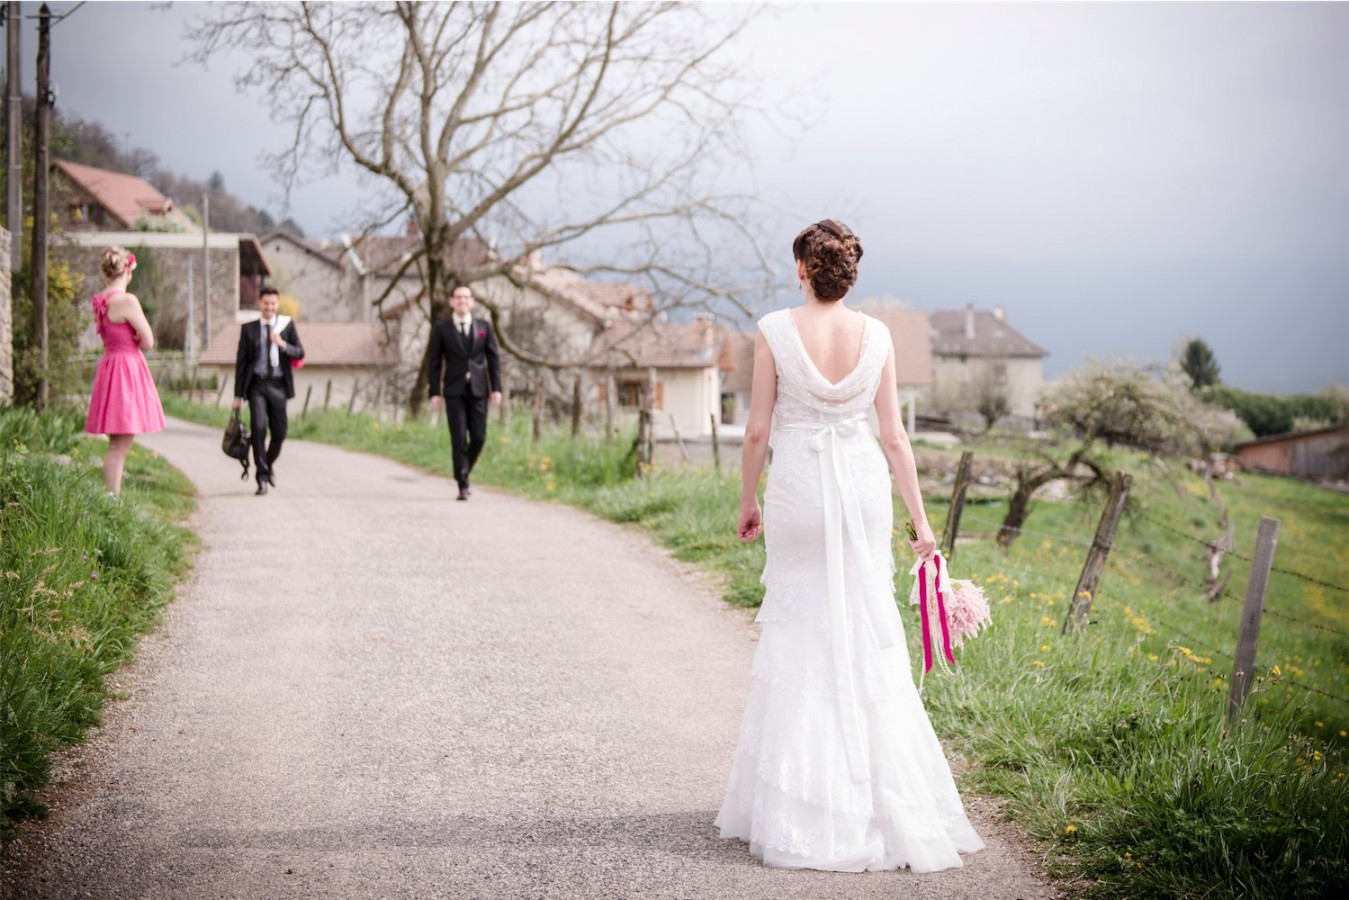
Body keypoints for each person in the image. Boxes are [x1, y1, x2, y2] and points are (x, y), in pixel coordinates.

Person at [715, 220, 984, 872]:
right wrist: (920, 526)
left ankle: (801, 804)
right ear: (848, 272)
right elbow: (893, 437)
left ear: (803, 269)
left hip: (801, 487)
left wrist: (747, 500)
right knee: (866, 625)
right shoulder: (880, 335)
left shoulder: (775, 329)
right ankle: (881, 800)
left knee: (803, 627)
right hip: (862, 488)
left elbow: (756, 431)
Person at [85, 246, 166, 496]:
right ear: (127, 272)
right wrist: (136, 337)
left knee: (115, 443)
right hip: (126, 369)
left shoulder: (101, 301)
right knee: (122, 443)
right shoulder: (127, 301)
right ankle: (112, 496)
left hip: (110, 365)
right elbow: (149, 340)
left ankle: (112, 496)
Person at [426, 284, 502, 501]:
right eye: (458, 297)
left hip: (479, 390)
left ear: (472, 301)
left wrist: (497, 388)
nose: (462, 301)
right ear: (451, 301)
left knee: (478, 436)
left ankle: (464, 468)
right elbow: (434, 362)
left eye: (466, 297)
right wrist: (434, 391)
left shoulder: (484, 327)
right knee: (458, 437)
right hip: (453, 391)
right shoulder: (442, 329)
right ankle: (462, 483)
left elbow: (494, 360)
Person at [232, 286, 304, 496]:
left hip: (278, 384)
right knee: (259, 428)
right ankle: (261, 477)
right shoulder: (249, 329)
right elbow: (241, 363)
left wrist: (283, 344)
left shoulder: (286, 326)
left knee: (280, 433)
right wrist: (237, 395)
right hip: (256, 385)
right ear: (259, 303)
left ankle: (267, 464)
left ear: (277, 304)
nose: (269, 307)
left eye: (273, 303)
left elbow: (300, 351)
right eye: (266, 303)